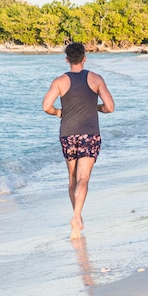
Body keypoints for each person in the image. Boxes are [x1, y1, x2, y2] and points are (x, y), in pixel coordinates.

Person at [42, 42, 114, 240]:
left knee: (72, 178)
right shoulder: (96, 79)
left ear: (67, 59)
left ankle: (77, 217)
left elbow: (46, 106)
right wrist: (95, 107)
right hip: (90, 134)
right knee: (84, 178)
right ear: (85, 58)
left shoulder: (60, 81)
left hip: (68, 134)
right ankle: (76, 217)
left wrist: (59, 113)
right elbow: (110, 107)